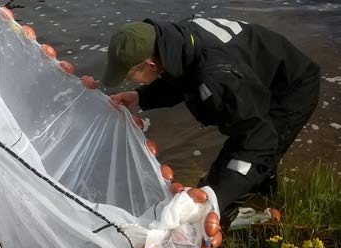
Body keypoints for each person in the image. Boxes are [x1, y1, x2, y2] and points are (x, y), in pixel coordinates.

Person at [103, 17, 320, 226]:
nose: (128, 80)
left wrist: (216, 194)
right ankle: (261, 200)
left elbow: (258, 138)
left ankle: (252, 211)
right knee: (247, 162)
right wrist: (140, 96)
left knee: (250, 159)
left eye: (130, 76)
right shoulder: (176, 43)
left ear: (150, 63)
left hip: (290, 88)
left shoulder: (216, 79)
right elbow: (182, 79)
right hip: (257, 74)